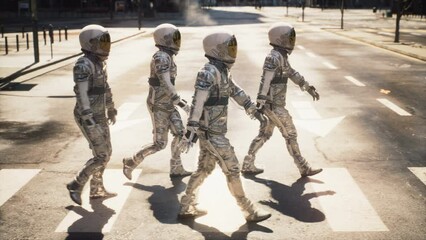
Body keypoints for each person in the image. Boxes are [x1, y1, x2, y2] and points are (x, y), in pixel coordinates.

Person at [177, 30, 271, 222]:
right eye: (229, 48)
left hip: (213, 132)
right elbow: (197, 102)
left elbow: (236, 92)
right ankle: (248, 210)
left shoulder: (222, 72)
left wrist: (253, 110)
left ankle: (186, 206)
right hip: (212, 134)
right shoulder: (208, 72)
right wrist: (191, 130)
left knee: (204, 169)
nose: (232, 51)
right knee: (233, 169)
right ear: (216, 50)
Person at [241, 22, 322, 177]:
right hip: (273, 106)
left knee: (265, 134)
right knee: (290, 133)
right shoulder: (273, 57)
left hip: (272, 105)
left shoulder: (281, 57)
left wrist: (307, 87)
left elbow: (292, 73)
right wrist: (261, 101)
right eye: (288, 38)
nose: (291, 41)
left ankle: (247, 163)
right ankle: (303, 167)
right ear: (279, 39)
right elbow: (265, 80)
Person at [122, 23, 192, 180]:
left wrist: (177, 101)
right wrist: (181, 103)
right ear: (164, 40)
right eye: (173, 39)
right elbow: (166, 83)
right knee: (160, 144)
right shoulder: (161, 57)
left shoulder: (168, 56)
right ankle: (131, 162)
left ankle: (176, 167)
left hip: (168, 103)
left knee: (180, 134)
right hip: (158, 105)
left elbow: (169, 85)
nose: (176, 42)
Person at [67, 24, 117, 205]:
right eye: (101, 43)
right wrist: (88, 116)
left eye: (106, 43)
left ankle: (97, 189)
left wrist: (111, 108)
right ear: (89, 44)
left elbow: (105, 88)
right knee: (101, 155)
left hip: (100, 114)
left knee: (107, 152)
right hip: (87, 116)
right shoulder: (83, 64)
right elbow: (81, 93)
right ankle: (76, 184)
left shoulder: (99, 63)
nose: (105, 47)